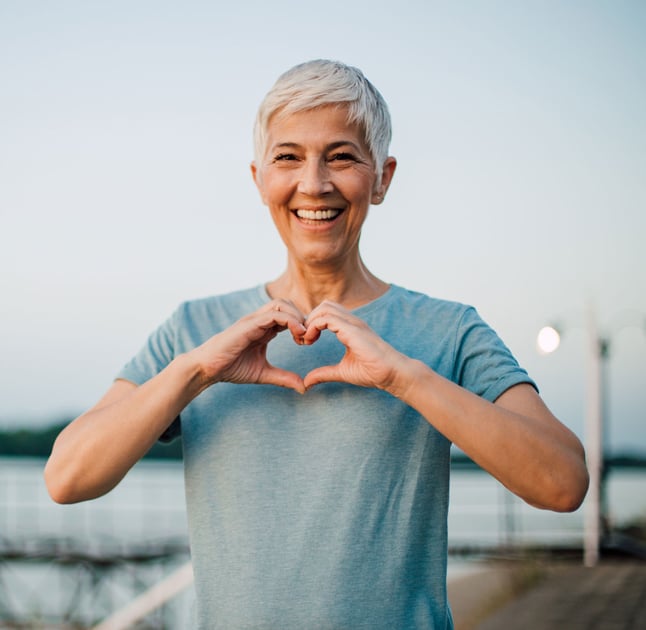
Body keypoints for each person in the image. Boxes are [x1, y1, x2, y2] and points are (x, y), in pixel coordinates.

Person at [45, 59, 589, 629]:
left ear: (382, 177)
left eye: (342, 156)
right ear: (258, 178)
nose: (314, 183)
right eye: (289, 157)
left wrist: (404, 377)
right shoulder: (194, 329)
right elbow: (68, 477)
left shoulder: (449, 330)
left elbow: (562, 483)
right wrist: (197, 372)